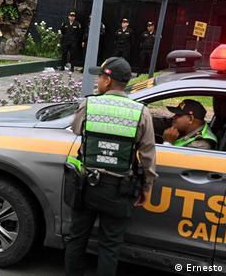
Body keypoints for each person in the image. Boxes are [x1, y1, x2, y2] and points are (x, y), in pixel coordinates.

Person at [64, 57, 157, 276]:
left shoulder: (90, 104)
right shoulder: (141, 112)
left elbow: (76, 129)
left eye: (99, 77)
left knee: (77, 238)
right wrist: (147, 186)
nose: (97, 81)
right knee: (110, 246)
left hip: (86, 186)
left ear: (108, 79)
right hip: (119, 190)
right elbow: (148, 155)